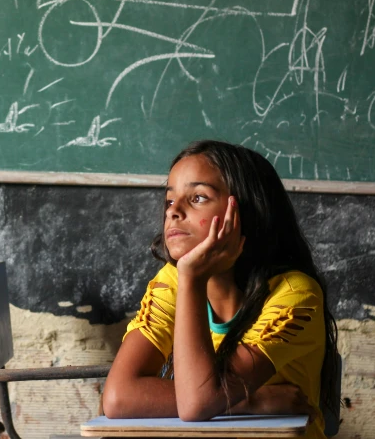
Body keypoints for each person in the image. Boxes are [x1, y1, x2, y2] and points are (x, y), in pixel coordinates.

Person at [102, 140, 339, 439]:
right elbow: (118, 397)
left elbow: (197, 403)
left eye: (198, 197)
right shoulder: (172, 281)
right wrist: (252, 402)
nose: (173, 211)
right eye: (169, 200)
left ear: (245, 213)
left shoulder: (295, 292)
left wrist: (192, 277)